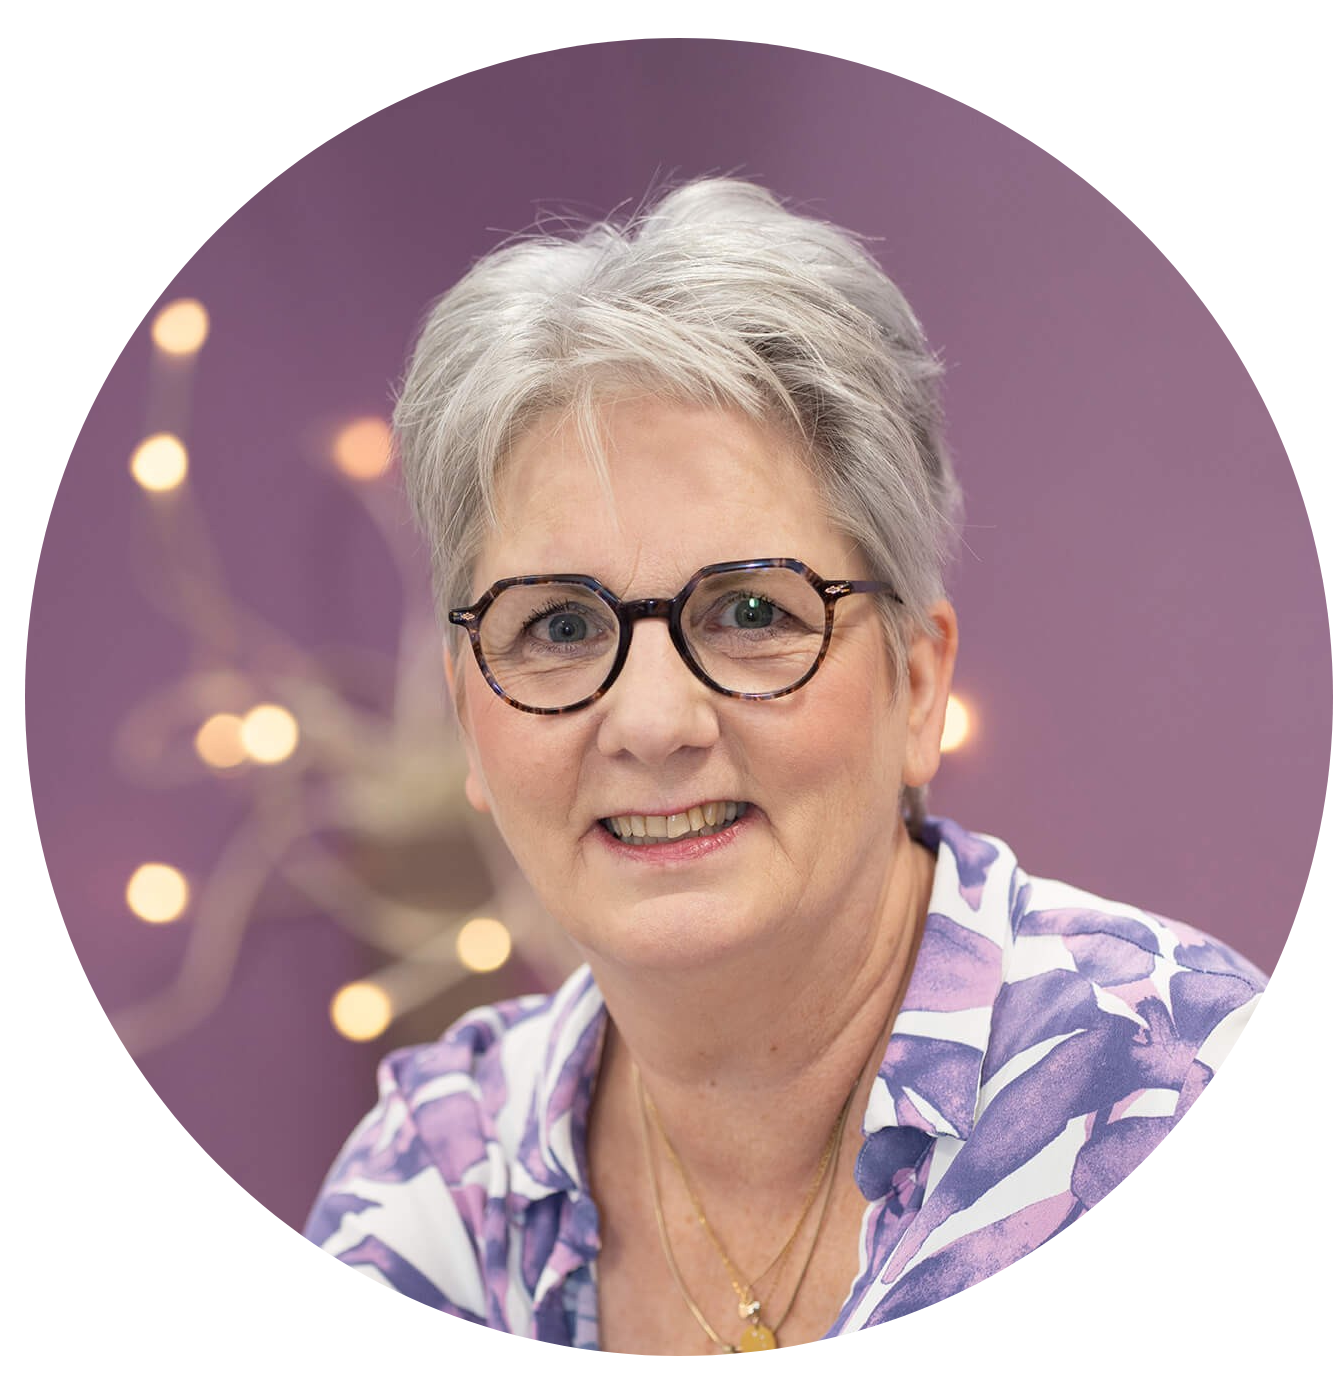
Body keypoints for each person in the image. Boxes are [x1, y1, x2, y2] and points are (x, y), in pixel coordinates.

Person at [302, 178, 1267, 1351]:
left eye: (751, 610)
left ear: (918, 683)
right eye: (558, 626)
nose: (652, 722)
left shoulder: (1170, 1078)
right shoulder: (433, 1174)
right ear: (469, 716)